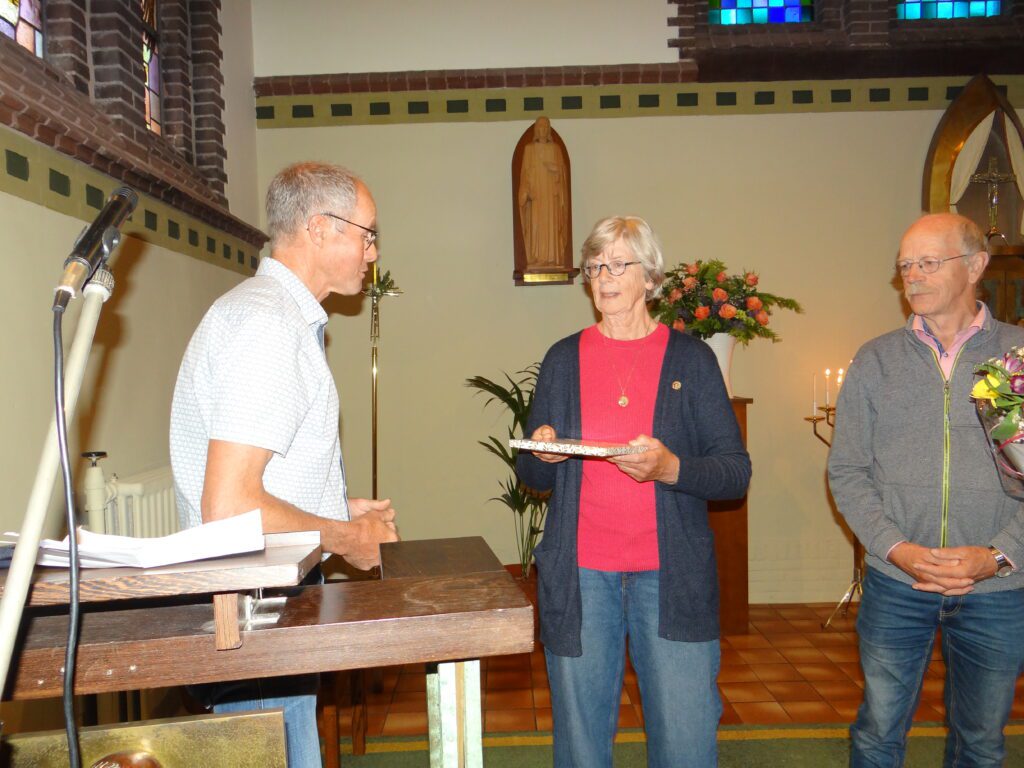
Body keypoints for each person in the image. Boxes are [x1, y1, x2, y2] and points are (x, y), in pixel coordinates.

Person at [170, 161, 399, 768]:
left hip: (264, 606)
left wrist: (331, 504)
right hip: (254, 615)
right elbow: (229, 505)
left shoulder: (273, 314)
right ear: (321, 228)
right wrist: (346, 536)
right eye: (367, 234)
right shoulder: (268, 325)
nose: (373, 252)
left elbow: (258, 481)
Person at [516, 215, 751, 768]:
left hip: (672, 578)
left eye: (619, 264)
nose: (604, 277)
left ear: (650, 277)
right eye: (595, 266)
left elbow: (734, 471)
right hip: (581, 578)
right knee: (581, 746)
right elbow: (533, 475)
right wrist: (542, 454)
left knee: (686, 742)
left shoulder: (692, 360)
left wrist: (671, 468)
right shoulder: (562, 359)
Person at [828, 212, 1024, 768]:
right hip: (898, 584)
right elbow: (847, 471)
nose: (912, 275)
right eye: (905, 265)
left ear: (976, 266)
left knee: (981, 744)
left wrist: (997, 556)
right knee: (877, 734)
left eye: (928, 262)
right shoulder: (876, 360)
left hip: (998, 588)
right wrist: (897, 549)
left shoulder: (1017, 358)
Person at [518, 116, 569, 269]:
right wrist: (527, 190)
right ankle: (537, 258)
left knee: (552, 225)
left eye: (545, 127)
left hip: (551, 196)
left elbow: (563, 175)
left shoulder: (555, 149)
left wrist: (556, 170)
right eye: (540, 127)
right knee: (536, 226)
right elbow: (524, 175)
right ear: (536, 130)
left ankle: (552, 258)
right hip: (537, 197)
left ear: (548, 130)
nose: (542, 130)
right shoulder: (529, 150)